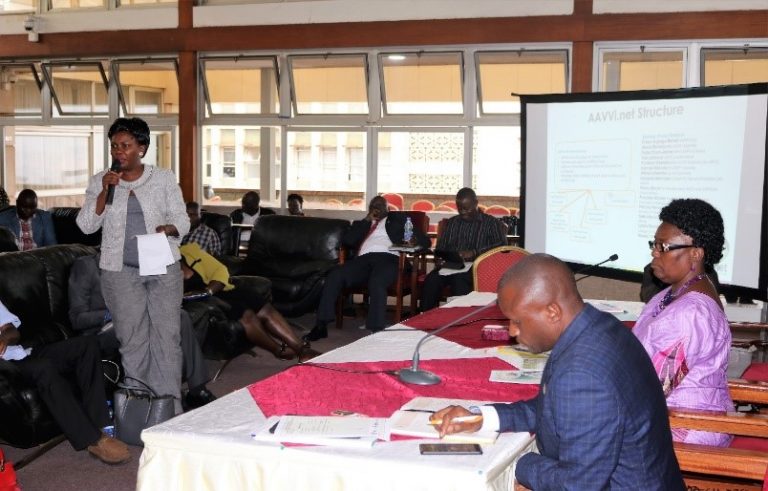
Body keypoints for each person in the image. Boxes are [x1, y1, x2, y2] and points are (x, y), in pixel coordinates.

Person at [433, 254, 684, 490]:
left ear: (552, 312)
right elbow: (551, 408)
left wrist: (512, 463)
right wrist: (483, 417)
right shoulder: (599, 327)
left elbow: (577, 484)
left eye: (517, 321)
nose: (511, 332)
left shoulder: (582, 373)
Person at [76, 117, 189, 411]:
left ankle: (170, 408)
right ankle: (140, 408)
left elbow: (183, 219)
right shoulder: (101, 180)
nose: (119, 151)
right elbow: (86, 226)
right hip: (120, 273)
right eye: (114, 146)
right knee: (132, 340)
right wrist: (103, 191)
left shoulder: (163, 178)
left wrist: (170, 228)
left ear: (142, 147)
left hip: (162, 268)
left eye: (125, 145)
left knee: (167, 338)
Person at [634, 198, 733, 446]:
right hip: (669, 415)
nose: (654, 253)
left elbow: (654, 389)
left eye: (663, 246)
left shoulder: (692, 314)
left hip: (686, 426)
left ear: (696, 254)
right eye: (654, 244)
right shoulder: (673, 292)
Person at [68, 253, 216, 410]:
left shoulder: (133, 264)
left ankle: (196, 389)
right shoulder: (86, 266)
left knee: (179, 315)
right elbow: (77, 318)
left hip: (135, 319)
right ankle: (159, 399)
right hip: (101, 330)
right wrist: (115, 313)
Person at [0, 299, 131, 465]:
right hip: (5, 368)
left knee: (86, 345)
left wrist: (4, 338)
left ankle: (100, 424)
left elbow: (11, 331)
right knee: (43, 367)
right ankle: (92, 440)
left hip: (20, 354)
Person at [304, 196, 430, 341]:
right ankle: (321, 325)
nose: (376, 207)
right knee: (335, 274)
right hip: (363, 261)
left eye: (380, 205)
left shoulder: (398, 219)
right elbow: (348, 241)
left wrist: (414, 240)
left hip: (389, 258)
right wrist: (366, 220)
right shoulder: (363, 223)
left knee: (377, 281)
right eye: (373, 205)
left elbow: (424, 241)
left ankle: (376, 329)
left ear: (388, 209)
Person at [179, 242, 320, 363]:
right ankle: (278, 350)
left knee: (263, 307)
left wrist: (209, 290)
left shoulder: (189, 250)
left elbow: (220, 270)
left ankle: (302, 349)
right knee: (247, 315)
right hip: (204, 304)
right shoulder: (160, 267)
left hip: (218, 290)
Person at [420, 187, 505, 311]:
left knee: (459, 280)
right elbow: (441, 247)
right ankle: (426, 319)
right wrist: (439, 258)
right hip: (451, 266)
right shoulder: (452, 223)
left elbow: (501, 245)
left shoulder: (491, 223)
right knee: (431, 280)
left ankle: (459, 320)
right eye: (460, 208)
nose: (463, 212)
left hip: (476, 267)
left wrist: (474, 252)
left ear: (476, 203)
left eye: (467, 208)